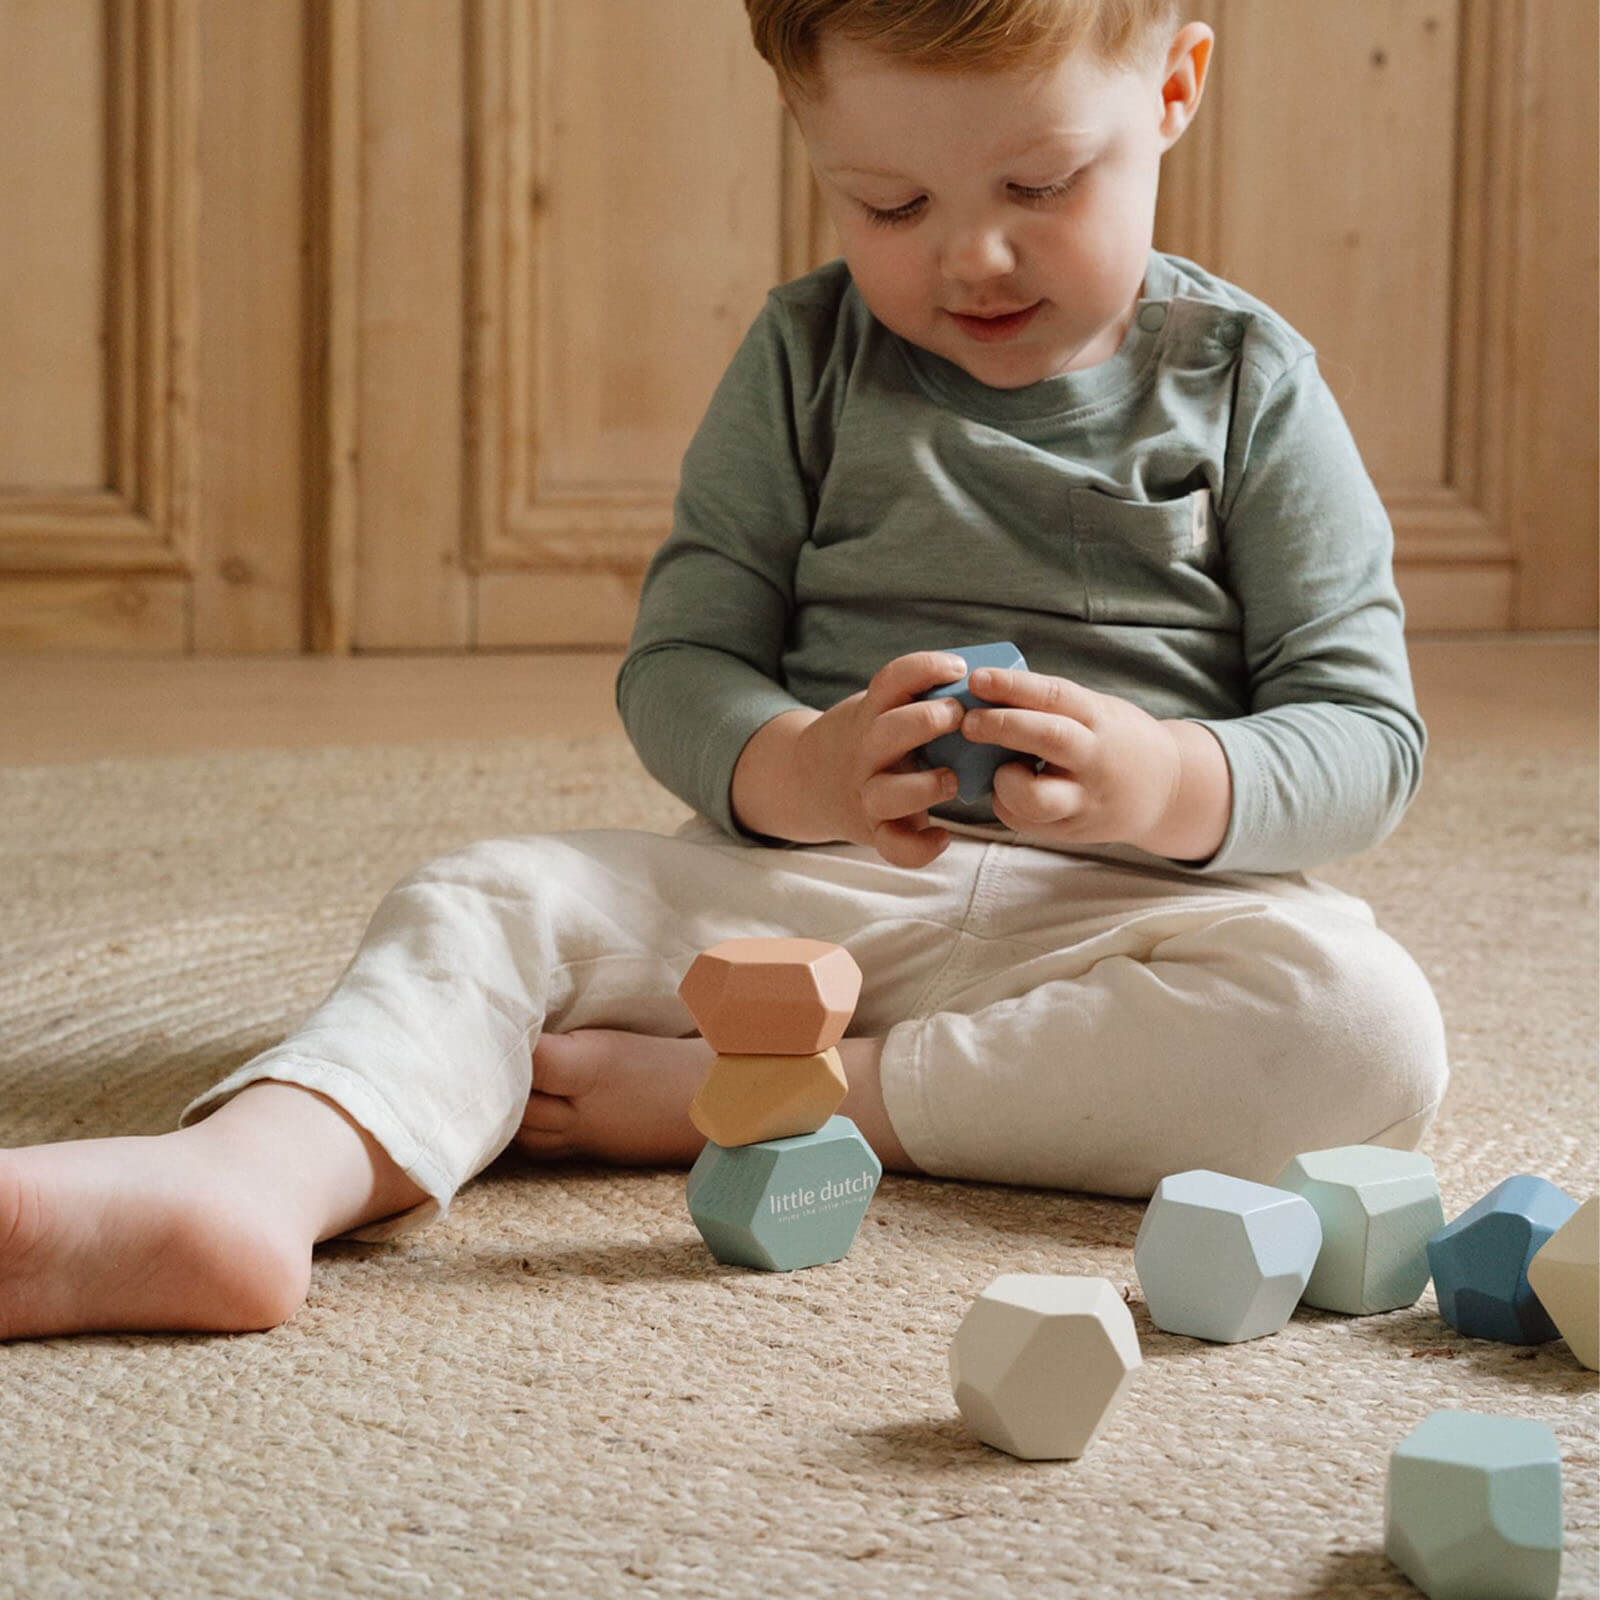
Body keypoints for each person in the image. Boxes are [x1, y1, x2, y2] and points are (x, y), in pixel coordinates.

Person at [0, 0, 1449, 1341]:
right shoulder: (804, 360)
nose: (971, 256)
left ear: (1175, 89)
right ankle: (255, 1178)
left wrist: (1168, 780)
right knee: (492, 898)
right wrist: (802, 769)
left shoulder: (1248, 379)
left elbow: (1366, 735)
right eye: (890, 203)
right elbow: (683, 663)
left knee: (1364, 1029)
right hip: (804, 912)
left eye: (1040, 186)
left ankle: (796, 1104)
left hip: (1128, 924)